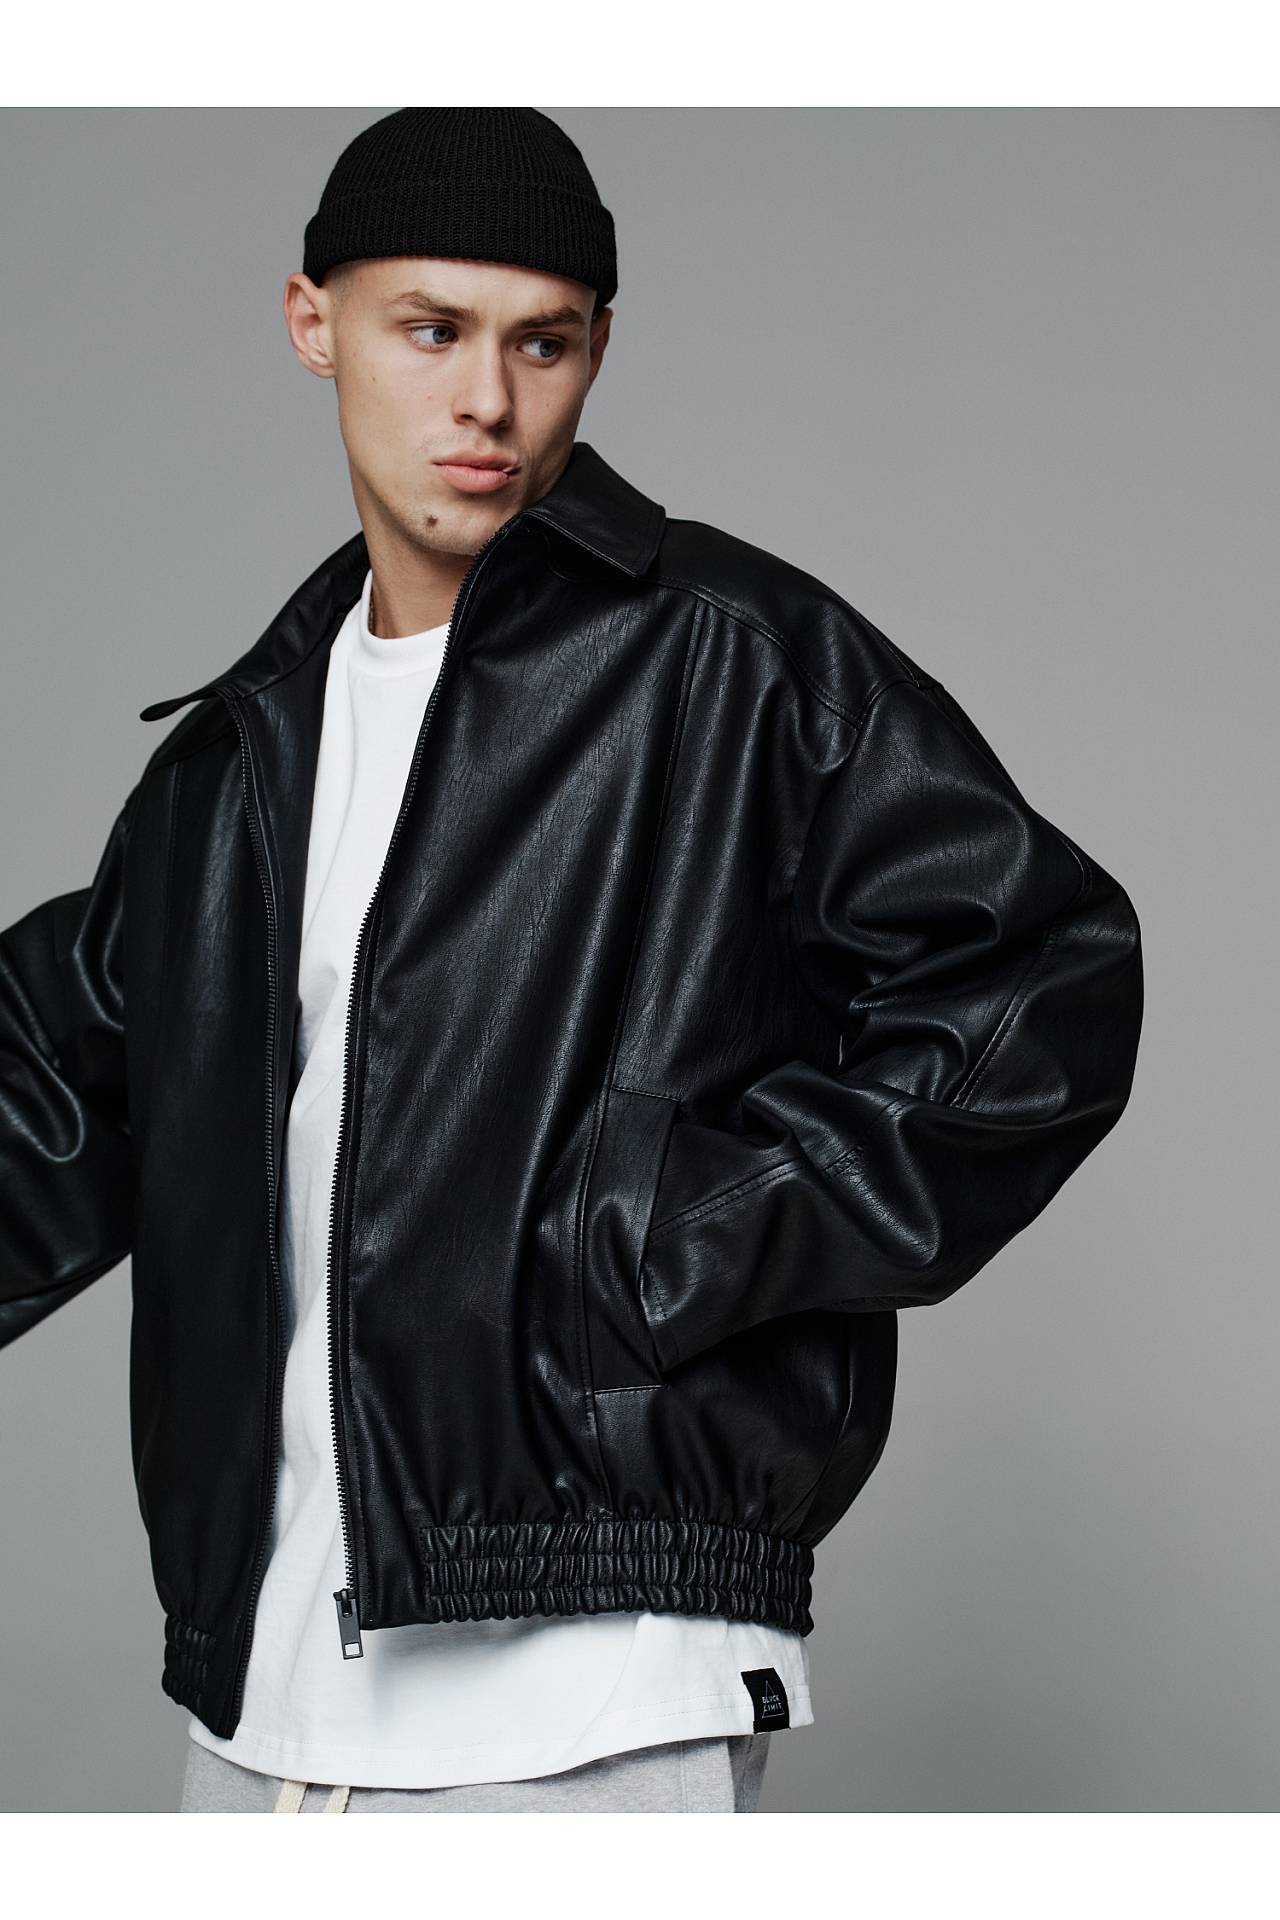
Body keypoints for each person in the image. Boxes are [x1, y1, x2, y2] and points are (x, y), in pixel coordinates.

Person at [0, 107, 1144, 1816]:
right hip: (262, 1705)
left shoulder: (731, 660)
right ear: (314, 324)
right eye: (431, 330)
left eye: (542, 342)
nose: (488, 399)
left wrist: (678, 1234)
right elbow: (48, 1099)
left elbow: (1041, 984)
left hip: (598, 1685)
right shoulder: (236, 766)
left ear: (597, 349)